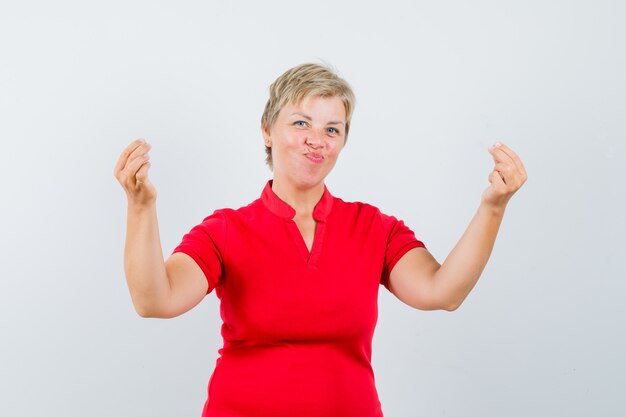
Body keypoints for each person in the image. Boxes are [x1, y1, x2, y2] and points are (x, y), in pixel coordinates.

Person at [114, 63, 527, 417]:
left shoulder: (374, 227)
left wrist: (492, 207)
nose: (317, 139)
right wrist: (140, 207)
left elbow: (442, 292)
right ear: (267, 132)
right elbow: (155, 301)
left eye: (333, 128)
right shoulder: (226, 231)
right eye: (300, 123)